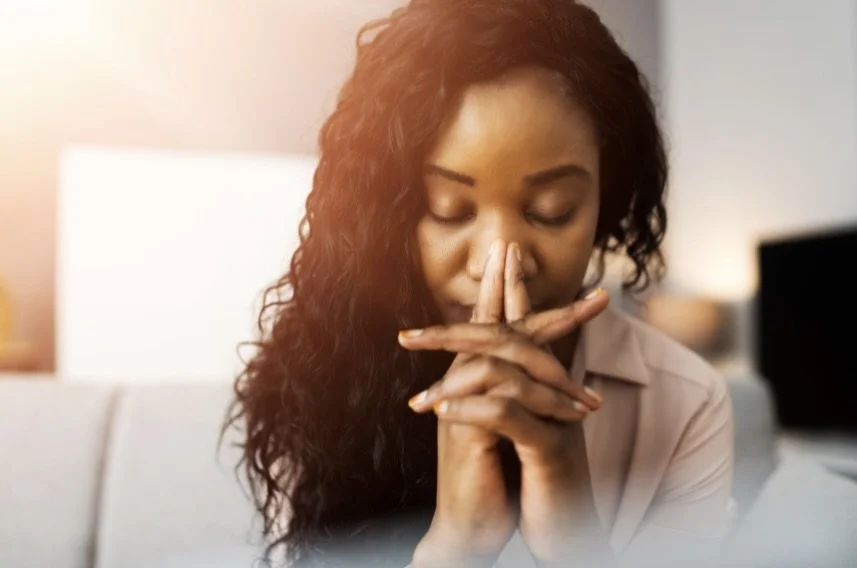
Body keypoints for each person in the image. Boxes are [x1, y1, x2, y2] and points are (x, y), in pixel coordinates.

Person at [224, 1, 735, 566]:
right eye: (448, 209)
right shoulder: (319, 374)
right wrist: (456, 543)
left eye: (552, 209)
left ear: (604, 206)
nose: (502, 262)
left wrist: (575, 536)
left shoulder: (688, 404)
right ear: (388, 216)